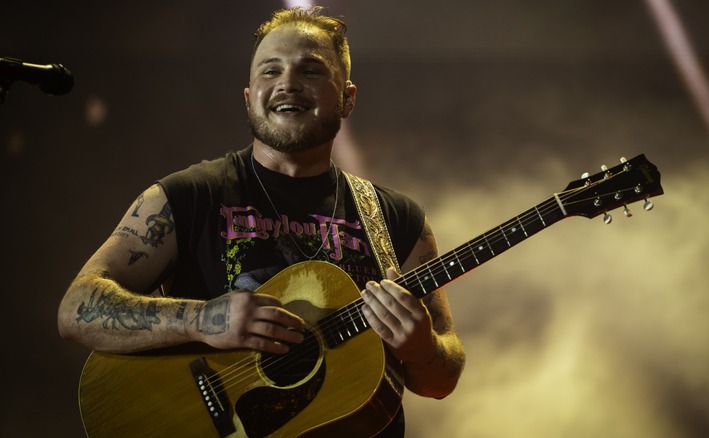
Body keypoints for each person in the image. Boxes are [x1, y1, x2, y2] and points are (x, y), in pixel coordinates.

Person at [58, 6, 465, 437]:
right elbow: (75, 308)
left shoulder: (398, 219)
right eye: (270, 71)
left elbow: (441, 380)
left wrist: (423, 349)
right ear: (249, 97)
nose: (287, 83)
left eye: (310, 70)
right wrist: (201, 320)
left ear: (347, 98)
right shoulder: (189, 195)